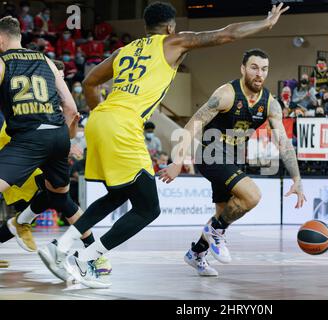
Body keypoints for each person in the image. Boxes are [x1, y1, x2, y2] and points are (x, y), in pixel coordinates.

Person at [40, 1, 291, 288]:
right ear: (171, 27)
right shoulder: (173, 42)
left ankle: (60, 247)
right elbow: (227, 33)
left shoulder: (125, 50)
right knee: (148, 209)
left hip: (99, 120)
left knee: (119, 195)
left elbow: (88, 82)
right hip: (123, 124)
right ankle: (86, 260)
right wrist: (265, 24)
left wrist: (105, 115)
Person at [159, 48, 305, 277]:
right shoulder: (226, 94)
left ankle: (196, 253)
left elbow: (283, 143)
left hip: (234, 159)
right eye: (254, 68)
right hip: (210, 155)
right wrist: (178, 161)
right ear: (243, 69)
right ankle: (215, 231)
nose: (259, 74)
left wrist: (297, 178)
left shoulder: (270, 104)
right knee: (252, 196)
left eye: (264, 69)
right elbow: (193, 125)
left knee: (225, 211)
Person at [0, 19, 110, 276]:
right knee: (61, 198)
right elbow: (71, 109)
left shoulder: (4, 62)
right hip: (58, 137)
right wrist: (66, 140)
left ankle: (21, 223)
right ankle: (95, 255)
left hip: (28, 138)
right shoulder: (47, 61)